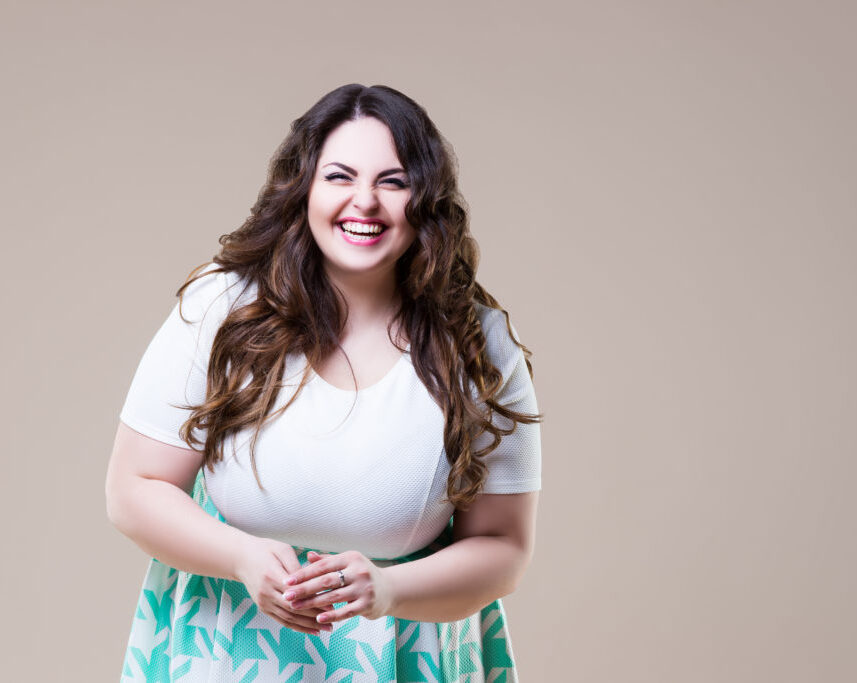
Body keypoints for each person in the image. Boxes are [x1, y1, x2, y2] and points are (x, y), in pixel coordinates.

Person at [105, 83, 543, 682]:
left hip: (405, 658)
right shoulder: (221, 306)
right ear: (303, 188)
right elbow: (134, 487)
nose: (364, 202)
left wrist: (388, 589)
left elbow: (504, 551)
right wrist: (241, 557)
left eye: (393, 181)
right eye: (339, 176)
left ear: (426, 199)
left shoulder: (478, 342)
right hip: (226, 652)